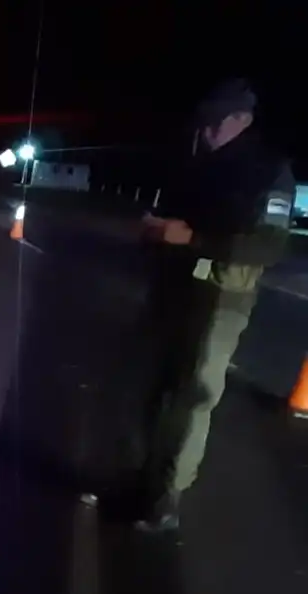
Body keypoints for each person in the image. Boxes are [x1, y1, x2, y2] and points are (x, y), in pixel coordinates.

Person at [124, 78, 295, 532]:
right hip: (174, 289)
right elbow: (173, 219)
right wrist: (155, 235)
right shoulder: (196, 162)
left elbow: (268, 247)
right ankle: (144, 482)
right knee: (155, 390)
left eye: (215, 123)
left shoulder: (269, 170)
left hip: (221, 297)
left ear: (242, 120)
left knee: (193, 396)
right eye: (203, 122)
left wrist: (194, 239)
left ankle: (165, 499)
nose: (205, 131)